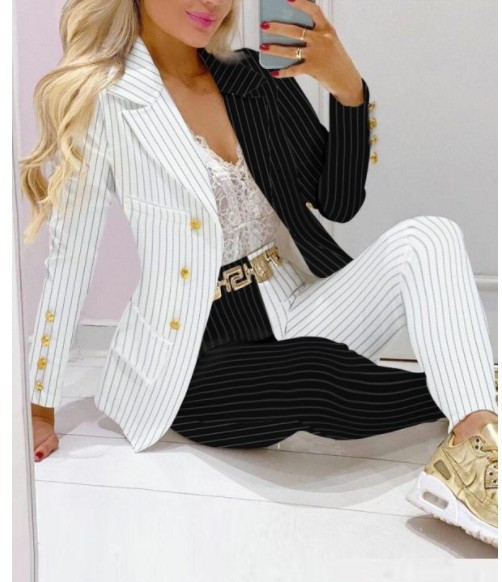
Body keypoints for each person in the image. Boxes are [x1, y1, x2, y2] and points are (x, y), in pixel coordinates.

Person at [21, 0, 497, 547]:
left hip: (291, 301)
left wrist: (347, 90)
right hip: (194, 355)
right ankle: (475, 389)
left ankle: (475, 439)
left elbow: (338, 203)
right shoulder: (106, 100)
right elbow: (72, 258)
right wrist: (38, 404)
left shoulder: (251, 76)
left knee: (431, 236)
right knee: (316, 372)